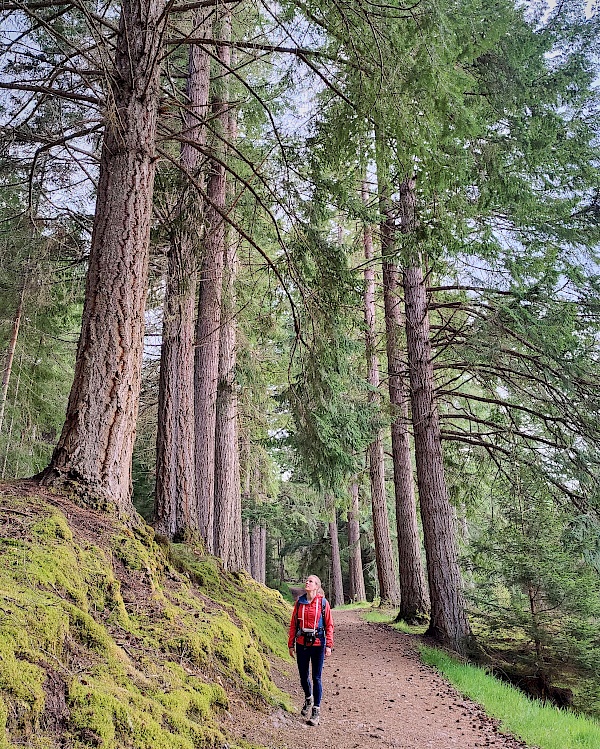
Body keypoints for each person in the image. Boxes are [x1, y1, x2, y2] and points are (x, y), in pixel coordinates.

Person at [288, 574, 334, 726]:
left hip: (318, 644)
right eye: (306, 580)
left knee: (317, 677)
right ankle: (309, 698)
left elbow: (329, 625)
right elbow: (294, 624)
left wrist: (328, 645)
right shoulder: (299, 603)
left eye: (311, 581)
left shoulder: (323, 603)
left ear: (317, 586)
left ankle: (316, 711)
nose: (307, 582)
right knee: (303, 676)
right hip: (302, 643)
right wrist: (291, 644)